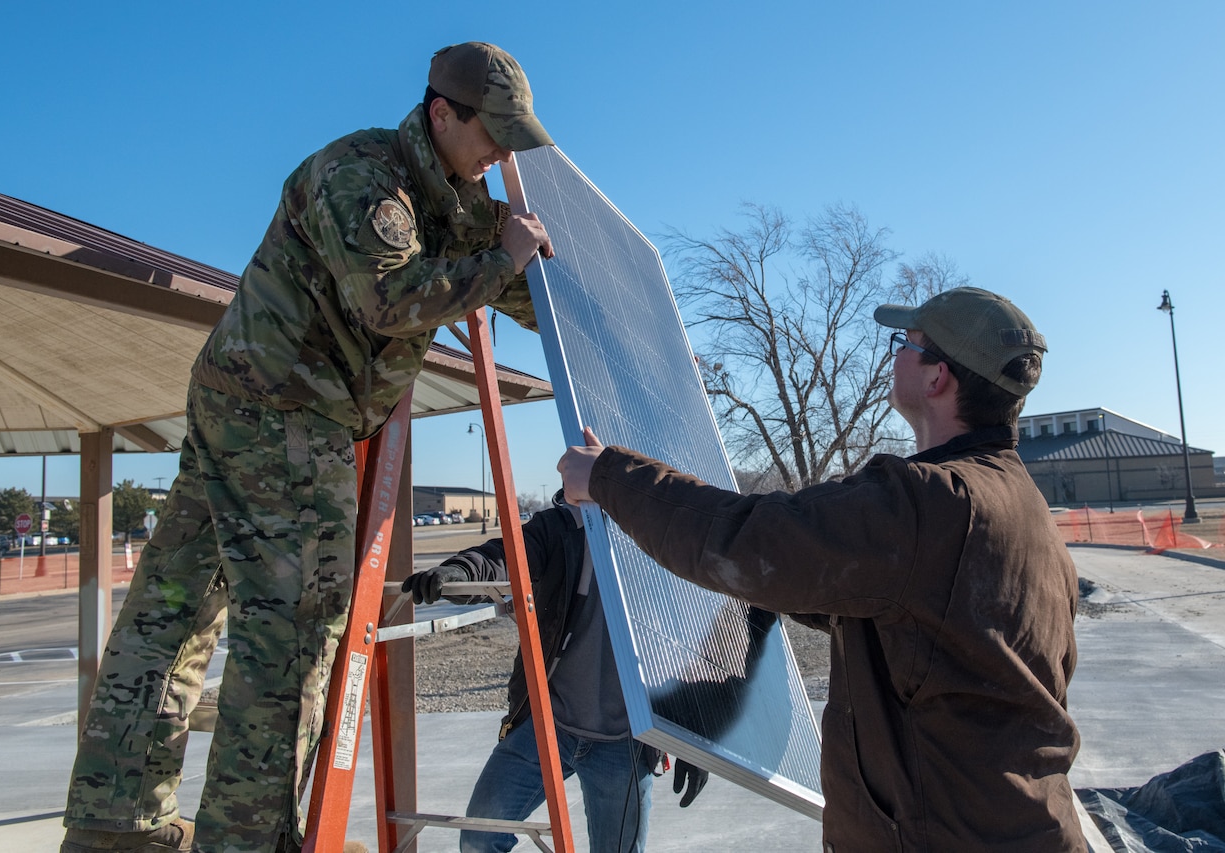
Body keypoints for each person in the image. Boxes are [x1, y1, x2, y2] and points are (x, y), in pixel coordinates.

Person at [60, 42, 555, 853]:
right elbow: (392, 298)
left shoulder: (454, 198)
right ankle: (247, 839)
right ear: (441, 114)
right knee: (293, 626)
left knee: (175, 611)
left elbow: (512, 281)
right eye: (492, 132)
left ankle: (115, 824)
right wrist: (502, 258)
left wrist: (573, 297)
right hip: (281, 412)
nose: (502, 152)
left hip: (249, 402)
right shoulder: (363, 178)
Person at [556, 287, 1088, 851]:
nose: (895, 356)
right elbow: (904, 623)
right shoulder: (1027, 513)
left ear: (938, 378)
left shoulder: (928, 503)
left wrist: (609, 477)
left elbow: (748, 541)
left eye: (905, 344)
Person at [401, 490, 708, 853]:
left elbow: (701, 636)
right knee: (479, 837)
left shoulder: (669, 535)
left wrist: (694, 733)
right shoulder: (562, 528)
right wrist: (458, 573)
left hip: (624, 743)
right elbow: (504, 557)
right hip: (549, 726)